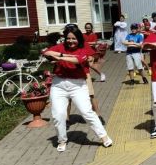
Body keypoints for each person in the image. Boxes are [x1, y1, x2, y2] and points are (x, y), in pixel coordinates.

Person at [42, 24, 113, 152]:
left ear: (79, 38)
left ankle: (104, 136)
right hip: (59, 85)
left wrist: (60, 57)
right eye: (68, 38)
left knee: (87, 112)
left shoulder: (84, 47)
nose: (70, 41)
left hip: (78, 85)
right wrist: (60, 54)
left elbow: (78, 59)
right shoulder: (61, 47)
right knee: (58, 115)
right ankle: (62, 140)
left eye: (73, 38)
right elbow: (46, 52)